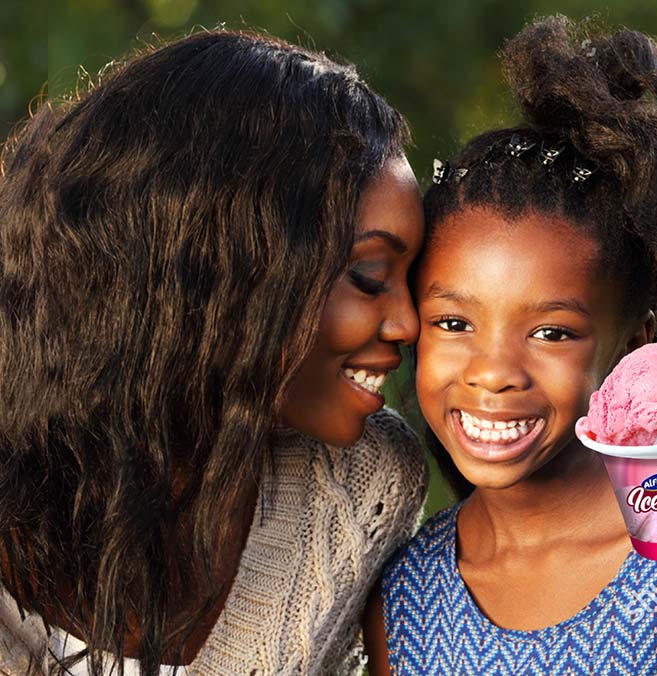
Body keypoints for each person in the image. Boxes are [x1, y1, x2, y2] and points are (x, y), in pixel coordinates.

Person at [363, 16, 657, 676]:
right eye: (454, 323)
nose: (493, 373)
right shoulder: (403, 595)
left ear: (633, 345)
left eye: (551, 332)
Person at [0, 29, 427, 675]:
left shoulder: (357, 483)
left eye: (412, 280)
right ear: (219, 266)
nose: (408, 322)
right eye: (368, 273)